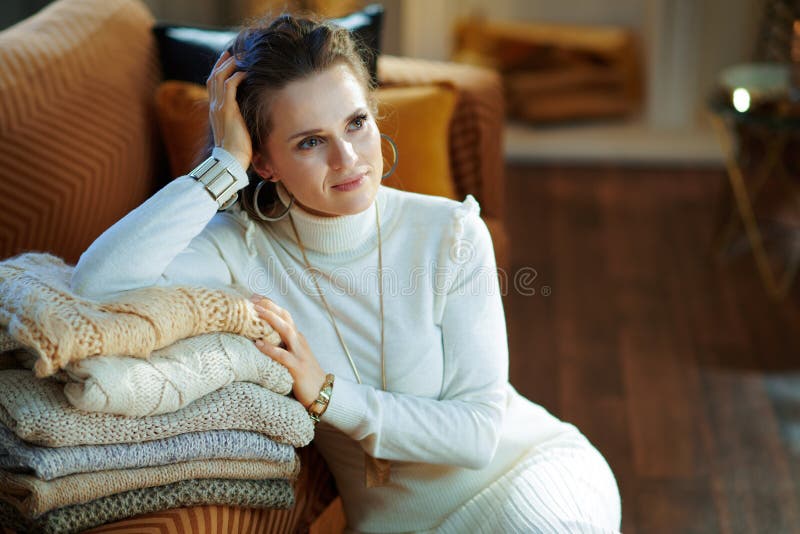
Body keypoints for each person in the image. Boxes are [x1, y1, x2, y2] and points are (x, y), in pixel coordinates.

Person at [70, 13, 621, 534]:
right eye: (310, 141)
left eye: (356, 124)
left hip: (528, 476)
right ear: (264, 161)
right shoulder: (242, 252)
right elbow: (97, 285)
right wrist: (224, 165)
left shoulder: (450, 233)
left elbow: (478, 433)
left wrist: (329, 395)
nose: (348, 158)